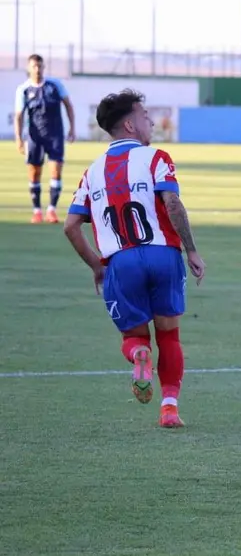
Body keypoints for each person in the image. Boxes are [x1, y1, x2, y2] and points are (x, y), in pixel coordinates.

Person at [63, 89, 206, 429]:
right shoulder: (156, 158)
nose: (151, 121)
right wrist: (192, 250)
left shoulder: (92, 173)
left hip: (121, 262)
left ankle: (140, 357)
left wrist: (98, 266)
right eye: (145, 115)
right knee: (169, 336)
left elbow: (70, 227)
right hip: (162, 256)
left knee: (135, 338)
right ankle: (169, 408)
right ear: (129, 124)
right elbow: (172, 204)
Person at [14, 54, 76, 224]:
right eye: (34, 66)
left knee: (56, 171)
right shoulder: (24, 89)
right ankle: (36, 211)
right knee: (34, 173)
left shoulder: (55, 85)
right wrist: (19, 138)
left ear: (44, 67)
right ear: (29, 68)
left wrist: (72, 128)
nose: (37, 69)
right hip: (34, 137)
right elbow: (19, 115)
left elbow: (68, 105)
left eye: (40, 66)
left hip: (55, 135)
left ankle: (51, 211)